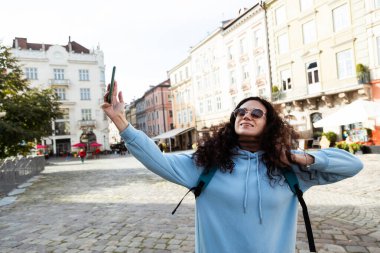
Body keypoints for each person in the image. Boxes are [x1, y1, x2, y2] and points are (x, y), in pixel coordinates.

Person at [102, 82, 363, 253]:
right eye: (240, 112)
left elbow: (353, 164)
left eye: (256, 113)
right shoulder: (207, 165)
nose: (246, 115)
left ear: (269, 124)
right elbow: (157, 160)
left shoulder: (287, 166)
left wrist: (302, 158)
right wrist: (122, 123)